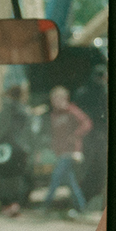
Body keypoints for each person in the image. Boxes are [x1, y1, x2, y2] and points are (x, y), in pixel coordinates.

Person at [44, 84, 92, 215]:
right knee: (71, 182)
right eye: (53, 100)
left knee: (56, 177)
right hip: (61, 152)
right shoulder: (54, 115)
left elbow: (86, 123)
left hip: (71, 152)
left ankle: (46, 206)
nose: (55, 102)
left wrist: (75, 135)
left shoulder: (72, 111)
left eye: (57, 99)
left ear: (65, 98)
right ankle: (81, 207)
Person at [0, 82, 34, 217]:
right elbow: (29, 132)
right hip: (21, 148)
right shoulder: (25, 111)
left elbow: (0, 130)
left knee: (2, 176)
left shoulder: (7, 109)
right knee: (17, 177)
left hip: (5, 148)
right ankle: (15, 204)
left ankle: (6, 205)